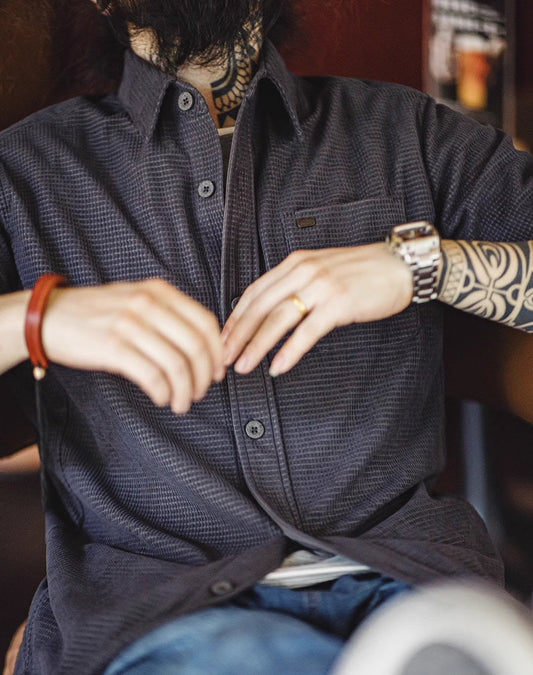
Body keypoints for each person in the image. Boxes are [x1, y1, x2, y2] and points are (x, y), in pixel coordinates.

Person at [1, 0, 533, 673]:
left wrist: (421, 266)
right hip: (166, 618)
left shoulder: (406, 132)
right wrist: (36, 317)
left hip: (415, 588)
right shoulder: (25, 172)